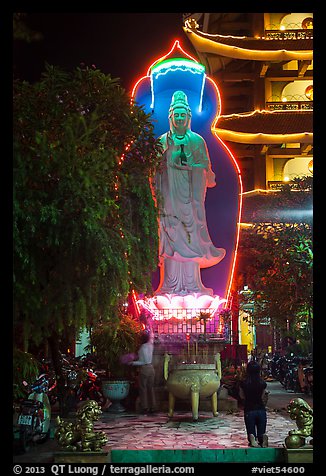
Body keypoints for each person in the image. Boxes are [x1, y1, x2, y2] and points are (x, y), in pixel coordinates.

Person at [154, 90, 226, 296]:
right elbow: (153, 168)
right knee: (170, 234)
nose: (179, 119)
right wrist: (167, 163)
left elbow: (204, 166)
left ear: (188, 117)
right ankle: (169, 285)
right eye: (175, 115)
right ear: (170, 117)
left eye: (182, 115)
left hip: (190, 199)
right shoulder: (162, 141)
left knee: (190, 235)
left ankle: (193, 285)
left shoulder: (197, 141)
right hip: (168, 196)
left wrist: (189, 167)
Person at [239, 360, 269, 448]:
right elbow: (264, 397)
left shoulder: (243, 383)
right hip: (261, 409)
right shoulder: (262, 383)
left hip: (249, 409)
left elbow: (242, 396)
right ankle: (262, 438)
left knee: (250, 428)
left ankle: (252, 438)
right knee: (261, 429)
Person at [128, 328, 156, 414]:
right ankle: (153, 406)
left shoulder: (142, 348)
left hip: (144, 369)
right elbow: (152, 336)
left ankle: (145, 407)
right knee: (150, 388)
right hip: (151, 368)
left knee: (143, 388)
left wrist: (132, 363)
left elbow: (143, 361)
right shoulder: (151, 345)